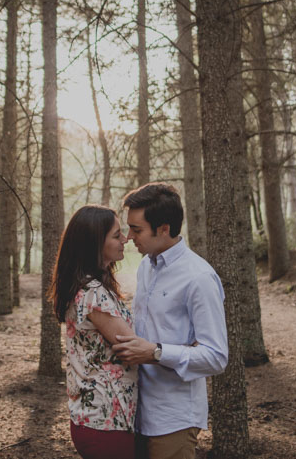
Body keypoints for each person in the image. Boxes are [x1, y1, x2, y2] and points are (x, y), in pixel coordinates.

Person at [112, 183, 228, 459]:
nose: (129, 237)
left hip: (174, 417)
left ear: (163, 228)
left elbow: (216, 357)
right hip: (137, 411)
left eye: (136, 229)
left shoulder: (199, 277)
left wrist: (156, 352)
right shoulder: (145, 267)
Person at [48, 205, 137, 459]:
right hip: (106, 422)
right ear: (96, 243)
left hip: (100, 417)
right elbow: (133, 347)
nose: (125, 239)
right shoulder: (92, 292)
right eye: (116, 235)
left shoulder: (90, 285)